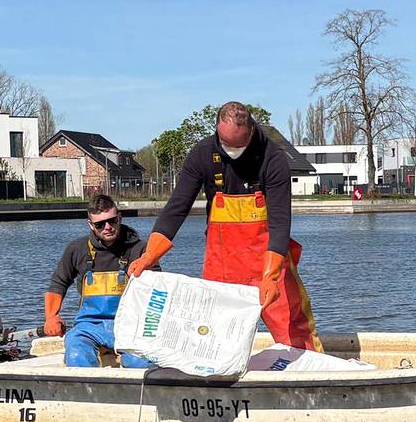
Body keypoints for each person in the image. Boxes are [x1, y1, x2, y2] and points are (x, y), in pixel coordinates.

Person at [127, 101, 322, 351]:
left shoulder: (273, 158)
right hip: (221, 266)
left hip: (267, 263)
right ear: (217, 131)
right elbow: (176, 209)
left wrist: (271, 277)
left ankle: (311, 375)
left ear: (251, 130)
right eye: (226, 144)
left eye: (238, 145)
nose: (232, 151)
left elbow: (281, 223)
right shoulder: (202, 153)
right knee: (213, 337)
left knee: (293, 328)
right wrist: (149, 256)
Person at [44, 194, 152, 368]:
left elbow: (159, 292)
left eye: (112, 221)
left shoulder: (141, 249)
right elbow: (58, 283)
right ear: (91, 225)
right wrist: (51, 317)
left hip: (130, 326)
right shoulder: (77, 249)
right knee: (76, 351)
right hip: (89, 326)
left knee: (140, 362)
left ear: (120, 218)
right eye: (100, 224)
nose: (107, 227)